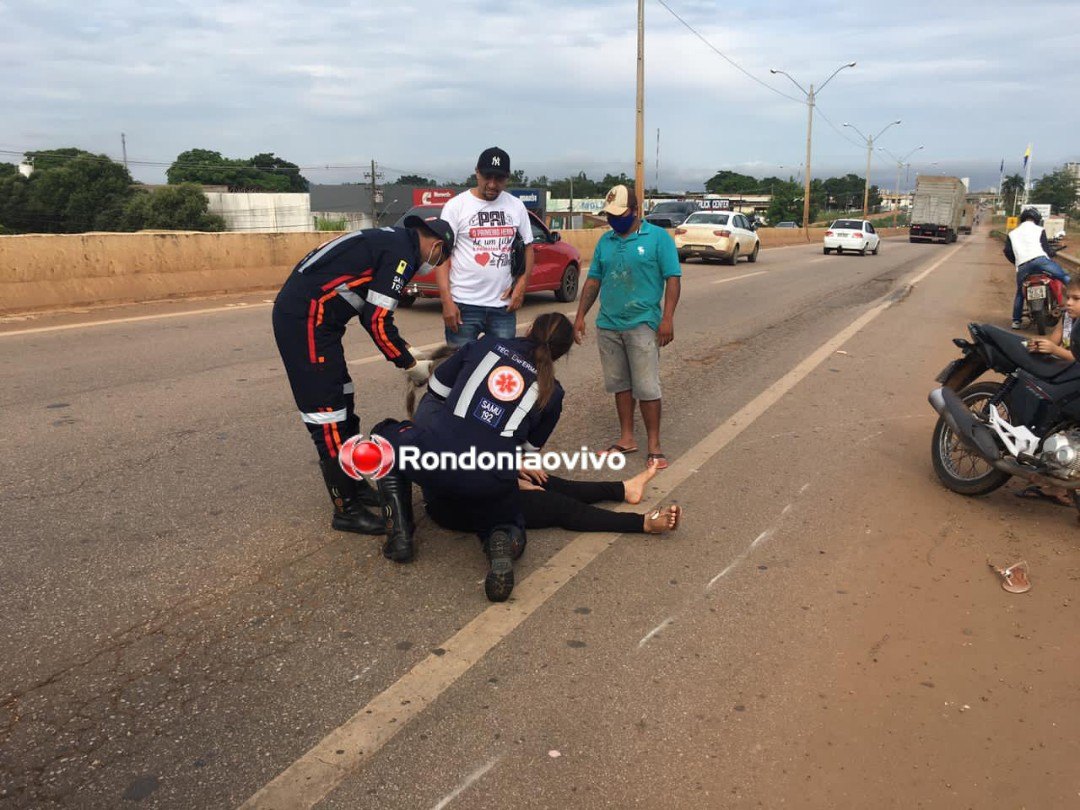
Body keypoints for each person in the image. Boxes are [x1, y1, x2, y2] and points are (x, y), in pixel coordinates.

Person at [369, 313, 571, 602]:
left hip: (435, 457)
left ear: (529, 329)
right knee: (508, 523)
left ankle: (399, 533)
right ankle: (501, 540)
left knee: (383, 434)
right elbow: (526, 454)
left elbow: (436, 391)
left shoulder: (483, 346)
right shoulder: (554, 393)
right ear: (561, 353)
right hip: (488, 479)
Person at [272, 216, 452, 535]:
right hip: (305, 320)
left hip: (319, 323)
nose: (435, 264)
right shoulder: (403, 256)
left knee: (344, 400)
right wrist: (409, 364)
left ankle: (353, 484)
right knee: (327, 416)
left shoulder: (393, 241)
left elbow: (373, 314)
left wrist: (409, 351)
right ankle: (346, 510)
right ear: (437, 246)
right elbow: (378, 320)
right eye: (442, 257)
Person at [405, 347, 682, 536]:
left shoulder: (457, 406)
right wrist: (510, 480)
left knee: (545, 481)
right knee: (557, 507)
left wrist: (512, 469)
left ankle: (623, 489)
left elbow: (479, 452)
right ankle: (643, 523)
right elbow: (454, 471)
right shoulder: (432, 416)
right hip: (455, 504)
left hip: (478, 483)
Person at [573, 184, 682, 470]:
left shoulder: (658, 238)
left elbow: (673, 278)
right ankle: (626, 438)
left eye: (619, 214)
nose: (613, 220)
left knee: (646, 386)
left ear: (636, 211)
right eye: (609, 215)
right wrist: (580, 315)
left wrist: (667, 318)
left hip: (643, 323)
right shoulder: (605, 242)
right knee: (620, 384)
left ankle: (655, 446)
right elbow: (594, 280)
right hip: (608, 324)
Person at [437, 147, 535, 347]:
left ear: (507, 178)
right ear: (477, 172)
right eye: (487, 177)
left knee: (500, 369)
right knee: (460, 369)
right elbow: (442, 256)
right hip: (463, 305)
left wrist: (522, 286)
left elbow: (528, 247)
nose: (492, 184)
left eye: (499, 179)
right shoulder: (456, 206)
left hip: (502, 308)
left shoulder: (516, 206)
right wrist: (446, 301)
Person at [1006, 207, 1069, 329]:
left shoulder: (1012, 234)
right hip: (1040, 261)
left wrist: (1017, 262)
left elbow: (1007, 251)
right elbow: (1045, 249)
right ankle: (1075, 303)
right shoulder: (1039, 229)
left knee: (1020, 292)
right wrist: (1052, 253)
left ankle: (1016, 321)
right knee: (1064, 277)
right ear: (1036, 219)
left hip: (1023, 266)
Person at [1026, 277, 1080, 362]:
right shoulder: (1066, 317)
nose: (1068, 302)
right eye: (1068, 298)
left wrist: (1056, 350)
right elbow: (1053, 341)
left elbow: (1077, 358)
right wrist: (1041, 346)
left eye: (1076, 298)